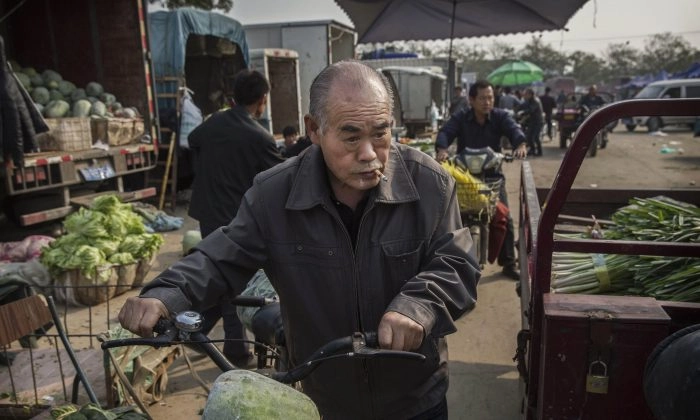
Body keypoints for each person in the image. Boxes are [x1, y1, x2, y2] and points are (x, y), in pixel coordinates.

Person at [119, 60, 478, 419]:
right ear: (314, 129)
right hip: (323, 399)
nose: (369, 153)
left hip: (416, 397)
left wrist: (418, 306)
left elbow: (457, 263)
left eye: (381, 133)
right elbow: (220, 257)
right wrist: (166, 294)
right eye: (351, 136)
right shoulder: (273, 195)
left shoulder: (429, 183)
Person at [186, 69, 284, 366]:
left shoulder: (212, 124)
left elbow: (192, 140)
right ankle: (232, 347)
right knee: (238, 281)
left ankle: (214, 336)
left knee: (223, 277)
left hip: (208, 214)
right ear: (262, 100)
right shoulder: (259, 137)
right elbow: (283, 176)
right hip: (237, 221)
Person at [435, 79, 526, 280]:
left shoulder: (500, 117)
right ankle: (447, 263)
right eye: (483, 98)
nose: (487, 102)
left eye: (490, 97)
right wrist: (442, 149)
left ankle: (509, 262)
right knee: (449, 217)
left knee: (504, 216)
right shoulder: (461, 117)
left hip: (492, 176)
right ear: (472, 100)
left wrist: (520, 145)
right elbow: (446, 132)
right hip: (466, 178)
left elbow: (514, 130)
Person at [519, 88, 545, 156]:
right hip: (532, 121)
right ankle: (532, 150)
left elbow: (531, 110)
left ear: (530, 94)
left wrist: (523, 112)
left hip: (538, 121)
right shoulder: (529, 101)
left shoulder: (535, 101)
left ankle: (540, 152)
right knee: (529, 137)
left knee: (535, 137)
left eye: (526, 94)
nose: (524, 96)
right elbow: (523, 106)